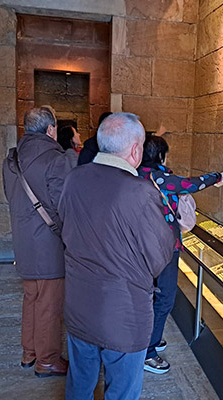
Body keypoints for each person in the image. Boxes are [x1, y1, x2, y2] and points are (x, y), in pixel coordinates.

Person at [58, 113, 175, 399]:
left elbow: (64, 224)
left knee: (80, 385)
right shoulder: (139, 191)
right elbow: (159, 256)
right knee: (122, 390)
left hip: (79, 303)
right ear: (135, 150)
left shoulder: (74, 178)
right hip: (123, 313)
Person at [138, 134, 223, 374]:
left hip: (140, 248)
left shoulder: (135, 175)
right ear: (159, 155)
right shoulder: (160, 178)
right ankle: (149, 351)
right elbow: (191, 184)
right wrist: (217, 177)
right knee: (164, 298)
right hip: (165, 247)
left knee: (146, 296)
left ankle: (148, 338)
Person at [2, 107, 72, 378]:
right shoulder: (55, 159)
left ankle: (29, 352)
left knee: (31, 296)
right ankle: (47, 360)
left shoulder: (12, 158)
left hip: (24, 240)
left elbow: (11, 196)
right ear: (51, 129)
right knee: (49, 304)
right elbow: (63, 204)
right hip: (48, 245)